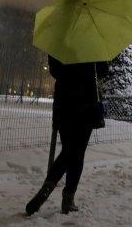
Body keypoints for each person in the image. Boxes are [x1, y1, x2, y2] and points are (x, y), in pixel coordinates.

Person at [26, 57, 108, 215]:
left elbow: (55, 71)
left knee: (69, 151)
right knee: (75, 154)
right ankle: (67, 198)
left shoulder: (60, 43)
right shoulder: (91, 46)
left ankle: (47, 191)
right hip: (86, 106)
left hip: (64, 105)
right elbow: (103, 71)